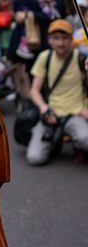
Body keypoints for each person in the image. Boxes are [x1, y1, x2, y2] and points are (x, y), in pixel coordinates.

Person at [27, 19, 88, 165]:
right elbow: (34, 90)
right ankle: (56, 140)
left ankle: (76, 142)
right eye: (56, 38)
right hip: (51, 114)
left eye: (65, 38)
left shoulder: (81, 58)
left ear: (71, 39)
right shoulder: (45, 57)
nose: (61, 43)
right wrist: (43, 108)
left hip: (76, 113)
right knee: (35, 158)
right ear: (49, 40)